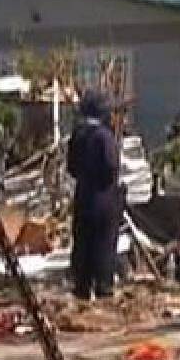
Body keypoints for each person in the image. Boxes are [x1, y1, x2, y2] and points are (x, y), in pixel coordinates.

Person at [67, 91, 120, 300]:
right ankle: (104, 287)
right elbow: (111, 166)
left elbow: (71, 168)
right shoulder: (104, 137)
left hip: (83, 196)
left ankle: (82, 287)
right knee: (104, 243)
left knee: (82, 243)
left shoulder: (77, 135)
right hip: (104, 197)